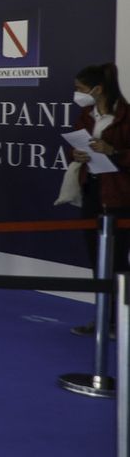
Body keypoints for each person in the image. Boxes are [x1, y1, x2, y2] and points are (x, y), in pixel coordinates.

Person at [69, 63, 130, 336]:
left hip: (119, 197)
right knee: (97, 260)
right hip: (92, 191)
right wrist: (76, 154)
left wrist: (113, 151)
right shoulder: (86, 115)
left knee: (118, 262)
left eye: (80, 89)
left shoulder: (126, 117)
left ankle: (121, 321)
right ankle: (103, 317)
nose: (77, 94)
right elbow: (75, 146)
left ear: (98, 89)